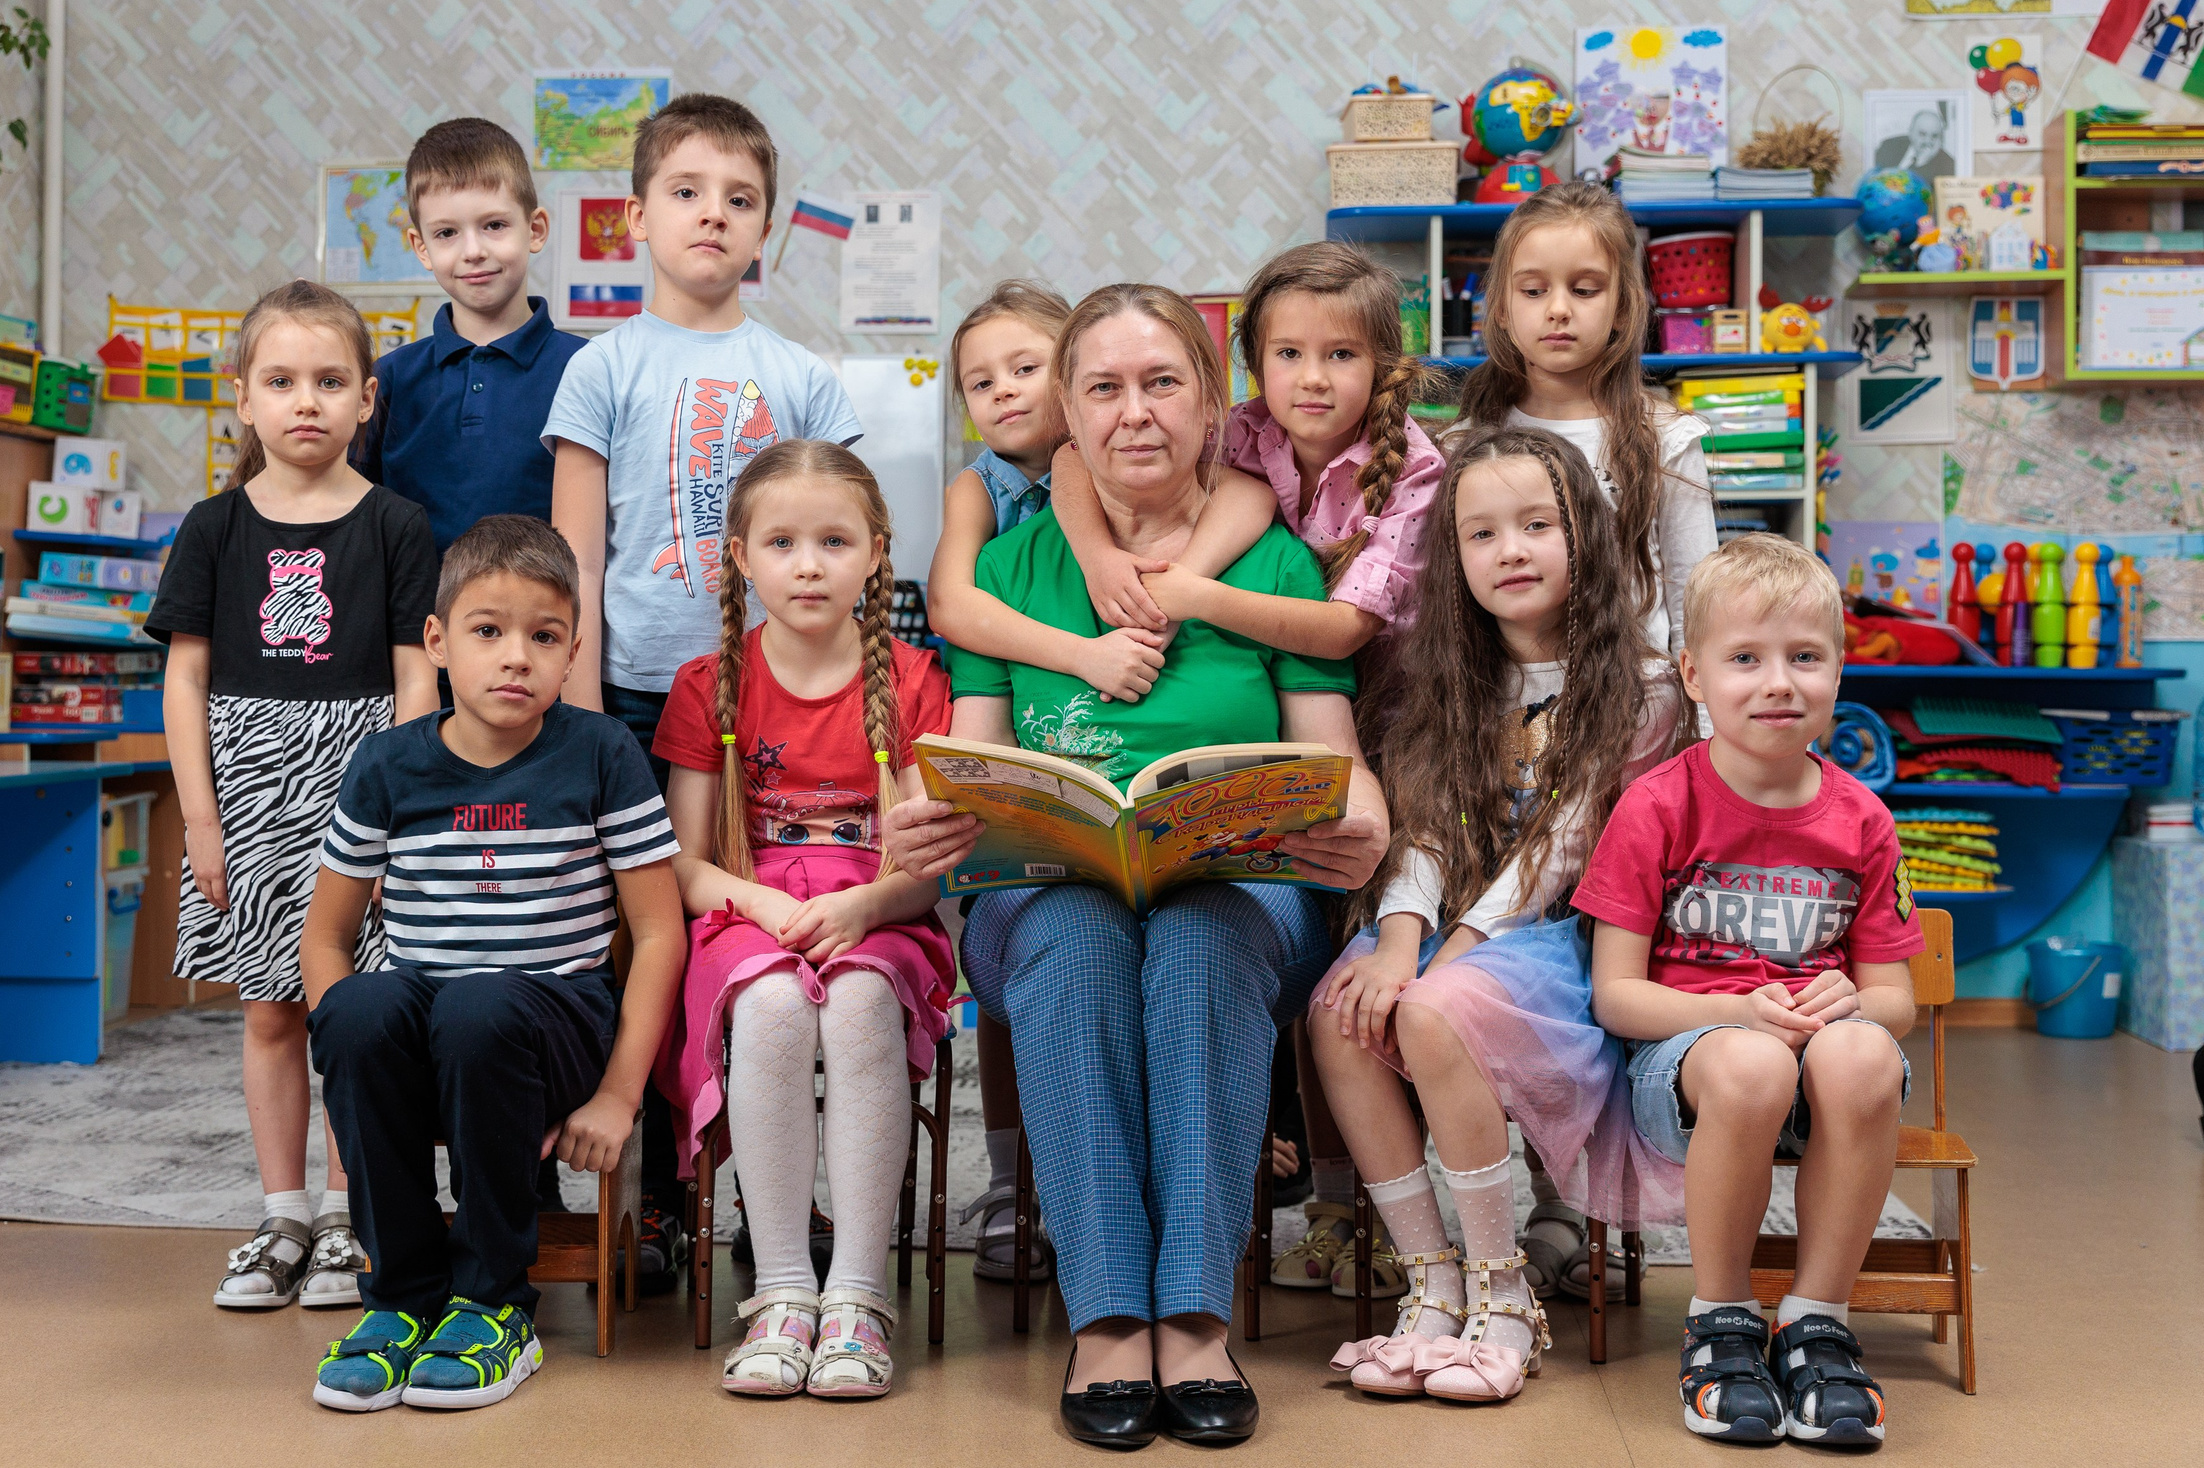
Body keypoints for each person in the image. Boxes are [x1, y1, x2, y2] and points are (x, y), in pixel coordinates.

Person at [884, 283, 1389, 1450]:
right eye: (1102, 388)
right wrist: (920, 814)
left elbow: (1339, 762)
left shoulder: (1270, 565)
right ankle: (1109, 1313)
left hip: (1241, 887)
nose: (1133, 414)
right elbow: (974, 744)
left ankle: (1193, 1312)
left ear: (1213, 403)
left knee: (1201, 939)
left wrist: (1359, 821)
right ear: (1064, 408)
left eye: (1162, 383)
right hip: (1047, 888)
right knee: (1074, 943)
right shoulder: (1011, 567)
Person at [1051, 243, 1448, 1297]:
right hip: (1275, 717)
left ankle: (1286, 1231)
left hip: (1400, 709)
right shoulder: (1231, 443)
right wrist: (1103, 561)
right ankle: (1143, 1268)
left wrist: (1189, 592)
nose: (1310, 377)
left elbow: (1347, 631)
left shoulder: (1406, 470)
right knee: (1095, 943)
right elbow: (1073, 461)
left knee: (1310, 948)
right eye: (1286, 353)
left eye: (1338, 355)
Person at [543, 91, 862, 1278]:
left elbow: (836, 541)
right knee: (642, 944)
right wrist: (573, 708)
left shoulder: (802, 377)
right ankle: (663, 1195)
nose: (712, 217)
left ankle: (780, 1193)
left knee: (774, 952)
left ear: (767, 229)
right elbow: (572, 550)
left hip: (769, 704)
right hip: (626, 694)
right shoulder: (600, 368)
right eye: (685, 193)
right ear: (635, 218)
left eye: (739, 200)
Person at [1313, 424, 1686, 1405]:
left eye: (1534, 524)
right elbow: (1426, 830)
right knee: (1339, 1009)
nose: (1509, 550)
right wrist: (1396, 942)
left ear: (1586, 538)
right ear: (1455, 561)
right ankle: (1432, 1282)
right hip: (1453, 922)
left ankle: (1501, 1290)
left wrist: (1445, 961)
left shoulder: (1640, 687)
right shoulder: (1449, 680)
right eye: (1480, 534)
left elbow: (1556, 849)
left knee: (1431, 1007)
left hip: (1565, 935)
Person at [301, 515, 686, 1412]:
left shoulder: (600, 752)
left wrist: (619, 1095)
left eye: (543, 637)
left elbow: (660, 933)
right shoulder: (389, 765)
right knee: (360, 1010)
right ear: (437, 642)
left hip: (552, 1026)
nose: (516, 657)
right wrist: (341, 1057)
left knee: (478, 1009)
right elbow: (325, 938)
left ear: (572, 651)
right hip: (428, 1027)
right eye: (488, 631)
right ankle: (397, 1301)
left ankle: (491, 1304)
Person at [1577, 534, 1922, 1446]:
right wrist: (1734, 1011)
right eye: (1745, 659)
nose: (1779, 682)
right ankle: (1721, 1322)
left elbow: (1896, 1001)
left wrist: (1850, 1001)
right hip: (1691, 1072)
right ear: (1693, 676)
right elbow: (1617, 996)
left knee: (1858, 1054)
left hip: (1825, 1072)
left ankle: (1818, 1325)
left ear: (1839, 672)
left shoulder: (1864, 818)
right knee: (1752, 1065)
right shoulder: (1656, 804)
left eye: (1805, 657)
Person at [146, 280, 440, 1314]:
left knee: (355, 1009)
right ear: (243, 399)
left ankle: (347, 1218)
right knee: (271, 1011)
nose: (304, 401)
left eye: (328, 381)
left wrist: (401, 807)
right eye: (281, 380)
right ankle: (280, 1210)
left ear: (367, 399)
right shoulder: (214, 527)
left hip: (361, 785)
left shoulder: (400, 526)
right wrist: (203, 818)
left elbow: (418, 678)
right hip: (244, 784)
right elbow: (184, 679)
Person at [1451, 178, 1718, 1296]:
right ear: (1497, 307)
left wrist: (1705, 756)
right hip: (1490, 723)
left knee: (1578, 974)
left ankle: (1572, 1204)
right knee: (1499, 975)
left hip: (1628, 730)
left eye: (1584, 287)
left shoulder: (1661, 433)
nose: (1557, 309)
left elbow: (1700, 600)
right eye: (1532, 287)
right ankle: (1506, 1209)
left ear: (1624, 308)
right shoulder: (1466, 437)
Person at [649, 440, 956, 1399]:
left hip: (884, 910)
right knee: (775, 1009)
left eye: (834, 540)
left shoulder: (911, 682)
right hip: (750, 910)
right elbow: (684, 866)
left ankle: (857, 1301)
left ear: (876, 552)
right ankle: (782, 1294)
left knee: (862, 1003)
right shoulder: (710, 686)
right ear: (741, 558)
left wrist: (863, 905)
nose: (810, 563)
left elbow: (931, 866)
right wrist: (766, 901)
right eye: (783, 542)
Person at [922, 279, 1084, 1284]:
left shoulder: (1106, 468)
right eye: (980, 381)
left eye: (1026, 368)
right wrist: (1071, 651)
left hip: (1111, 731)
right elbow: (953, 604)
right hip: (1006, 717)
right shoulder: (976, 488)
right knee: (1007, 965)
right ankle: (1011, 1178)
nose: (1004, 392)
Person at [352, 117, 585, 554]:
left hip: (547, 618)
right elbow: (352, 522)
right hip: (415, 620)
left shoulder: (589, 368)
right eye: (446, 233)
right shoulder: (387, 381)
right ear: (421, 247)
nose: (473, 250)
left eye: (494, 225)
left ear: (534, 230)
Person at [1872, 108, 1953, 194]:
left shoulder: (1948, 165)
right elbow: (1872, 182)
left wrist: (1922, 163)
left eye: (1934, 136)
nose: (1928, 141)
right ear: (1910, 132)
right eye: (1922, 134)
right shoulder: (1888, 147)